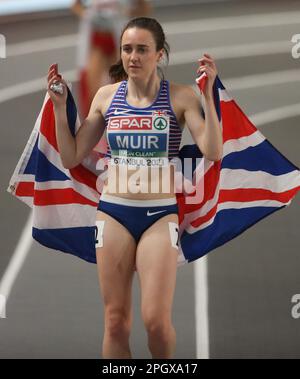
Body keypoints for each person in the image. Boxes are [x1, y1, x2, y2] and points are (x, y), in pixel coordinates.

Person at [47, 17, 222, 359]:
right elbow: (71, 156)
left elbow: (213, 151)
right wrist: (58, 107)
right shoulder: (106, 96)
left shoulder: (181, 97)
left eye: (143, 50)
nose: (133, 57)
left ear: (160, 55)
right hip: (113, 212)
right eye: (128, 49)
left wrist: (209, 95)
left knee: (155, 321)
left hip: (159, 215)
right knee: (115, 321)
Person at [71, 0, 152, 119]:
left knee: (123, 85)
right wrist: (88, 15)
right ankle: (93, 128)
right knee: (92, 89)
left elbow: (145, 7)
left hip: (119, 38)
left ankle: (125, 122)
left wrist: (125, 14)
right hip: (97, 39)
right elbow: (76, 6)